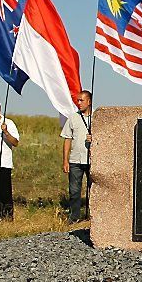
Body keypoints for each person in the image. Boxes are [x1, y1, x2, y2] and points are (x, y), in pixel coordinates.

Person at [61, 90, 92, 223]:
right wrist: (65, 160)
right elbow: (67, 139)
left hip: (92, 160)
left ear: (89, 101)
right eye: (78, 100)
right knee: (74, 191)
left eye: (81, 100)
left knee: (93, 190)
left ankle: (92, 216)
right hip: (75, 160)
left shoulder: (97, 118)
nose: (78, 103)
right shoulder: (73, 118)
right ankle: (74, 217)